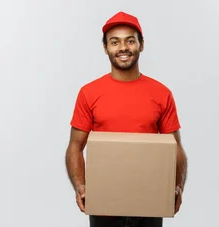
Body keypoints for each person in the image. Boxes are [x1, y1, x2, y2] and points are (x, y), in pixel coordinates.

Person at [64, 11, 188, 227]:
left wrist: (177, 186)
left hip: (150, 201)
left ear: (141, 45)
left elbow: (175, 146)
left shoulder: (161, 93)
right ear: (105, 48)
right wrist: (80, 186)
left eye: (130, 41)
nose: (123, 48)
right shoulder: (89, 93)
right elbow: (75, 146)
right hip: (104, 203)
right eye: (115, 42)